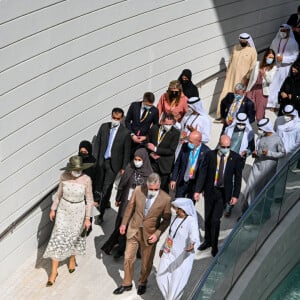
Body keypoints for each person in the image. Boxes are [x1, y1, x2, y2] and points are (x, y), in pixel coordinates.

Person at [113, 173, 171, 296]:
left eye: (156, 189)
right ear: (147, 185)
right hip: (133, 229)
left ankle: (142, 282)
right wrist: (124, 224)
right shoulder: (138, 190)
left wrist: (157, 233)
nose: (153, 191)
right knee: (128, 257)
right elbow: (130, 208)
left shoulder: (166, 199)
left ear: (159, 185)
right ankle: (126, 283)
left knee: (146, 262)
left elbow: (166, 220)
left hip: (150, 235)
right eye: (151, 189)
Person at [43, 156, 94, 286]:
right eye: (74, 169)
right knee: (58, 237)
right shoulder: (64, 176)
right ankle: (53, 272)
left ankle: (72, 258)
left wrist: (88, 218)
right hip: (63, 210)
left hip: (78, 211)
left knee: (73, 236)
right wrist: (53, 209)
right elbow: (58, 194)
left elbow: (89, 200)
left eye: (78, 169)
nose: (76, 171)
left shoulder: (87, 180)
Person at [194, 135, 243, 256]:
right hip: (210, 191)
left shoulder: (235, 158)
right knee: (208, 217)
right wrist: (197, 190)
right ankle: (208, 240)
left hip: (223, 193)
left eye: (228, 147)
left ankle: (214, 245)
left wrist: (235, 195)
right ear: (219, 145)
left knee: (215, 220)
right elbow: (203, 174)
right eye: (223, 146)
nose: (226, 149)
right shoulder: (210, 155)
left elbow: (237, 179)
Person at [100, 148, 153, 258]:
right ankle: (119, 247)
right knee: (122, 223)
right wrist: (118, 198)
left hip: (139, 206)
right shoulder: (130, 168)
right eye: (135, 159)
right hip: (126, 202)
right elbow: (122, 184)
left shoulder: (149, 175)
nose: (137, 161)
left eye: (139, 159)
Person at [156, 198, 200, 300]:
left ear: (184, 209)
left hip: (181, 258)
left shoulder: (191, 221)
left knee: (176, 285)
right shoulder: (175, 218)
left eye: (178, 209)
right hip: (168, 253)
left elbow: (195, 237)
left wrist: (192, 245)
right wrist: (163, 247)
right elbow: (171, 235)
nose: (176, 211)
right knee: (160, 277)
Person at [93, 107, 131, 223]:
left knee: (106, 188)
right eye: (113, 118)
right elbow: (97, 143)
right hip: (101, 161)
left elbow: (126, 151)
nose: (115, 120)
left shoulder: (125, 133)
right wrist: (96, 160)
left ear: (121, 119)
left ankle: (101, 213)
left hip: (113, 165)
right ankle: (101, 201)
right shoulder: (104, 127)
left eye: (117, 119)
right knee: (98, 185)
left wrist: (124, 167)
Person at [241, 118, 285, 214]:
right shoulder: (260, 137)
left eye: (261, 128)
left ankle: (262, 213)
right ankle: (245, 212)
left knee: (263, 192)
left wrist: (269, 153)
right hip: (257, 167)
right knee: (249, 189)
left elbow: (282, 153)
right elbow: (258, 150)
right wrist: (255, 154)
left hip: (268, 170)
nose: (260, 130)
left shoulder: (277, 139)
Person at [215, 33, 257, 120]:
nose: (242, 41)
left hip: (242, 78)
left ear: (248, 40)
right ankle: (220, 115)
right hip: (230, 76)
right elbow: (230, 61)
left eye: (244, 40)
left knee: (237, 96)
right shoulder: (235, 48)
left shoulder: (252, 51)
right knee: (225, 93)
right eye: (241, 40)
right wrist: (227, 73)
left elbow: (253, 66)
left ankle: (234, 116)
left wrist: (248, 78)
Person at [170, 131, 210, 200]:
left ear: (199, 142)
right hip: (182, 181)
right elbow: (178, 163)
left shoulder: (206, 152)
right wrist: (173, 179)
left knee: (189, 207)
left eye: (191, 142)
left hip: (194, 183)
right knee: (178, 203)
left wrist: (199, 190)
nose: (189, 143)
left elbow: (205, 173)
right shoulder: (185, 146)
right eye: (188, 140)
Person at [146, 113, 180, 192]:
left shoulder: (175, 133)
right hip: (153, 163)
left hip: (165, 165)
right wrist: (150, 153)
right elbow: (147, 141)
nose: (168, 126)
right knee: (151, 184)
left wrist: (155, 149)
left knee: (163, 188)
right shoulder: (154, 128)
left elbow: (171, 150)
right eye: (166, 124)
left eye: (170, 124)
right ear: (162, 121)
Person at [268, 24, 299, 110]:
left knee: (281, 86)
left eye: (285, 31)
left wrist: (284, 59)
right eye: (281, 31)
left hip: (285, 68)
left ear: (289, 31)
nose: (283, 32)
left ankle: (277, 104)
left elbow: (295, 57)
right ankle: (270, 103)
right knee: (272, 84)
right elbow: (270, 51)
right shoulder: (275, 40)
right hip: (275, 66)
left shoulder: (293, 43)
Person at [246, 48, 277, 121]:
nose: (271, 59)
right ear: (265, 56)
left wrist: (264, 75)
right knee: (248, 109)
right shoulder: (257, 64)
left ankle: (262, 126)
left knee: (260, 112)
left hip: (262, 91)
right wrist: (247, 89)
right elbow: (251, 77)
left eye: (272, 58)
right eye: (270, 57)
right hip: (252, 89)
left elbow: (270, 81)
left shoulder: (273, 68)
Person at [125, 92, 159, 157]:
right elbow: (127, 121)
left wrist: (146, 137)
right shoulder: (134, 106)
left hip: (143, 140)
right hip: (131, 137)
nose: (149, 107)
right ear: (143, 100)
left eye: (151, 105)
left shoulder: (154, 111)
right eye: (147, 105)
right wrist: (132, 135)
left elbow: (155, 127)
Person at [78, 140, 97, 236]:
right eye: (81, 152)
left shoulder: (94, 163)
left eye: (85, 152)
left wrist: (97, 197)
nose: (83, 154)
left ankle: (88, 228)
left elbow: (98, 180)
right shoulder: (77, 161)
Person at [275, 105, 300, 169]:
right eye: (286, 114)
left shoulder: (298, 125)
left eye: (289, 115)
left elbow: (298, 143)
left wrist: (287, 151)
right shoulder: (279, 120)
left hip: (290, 154)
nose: (286, 116)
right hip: (278, 152)